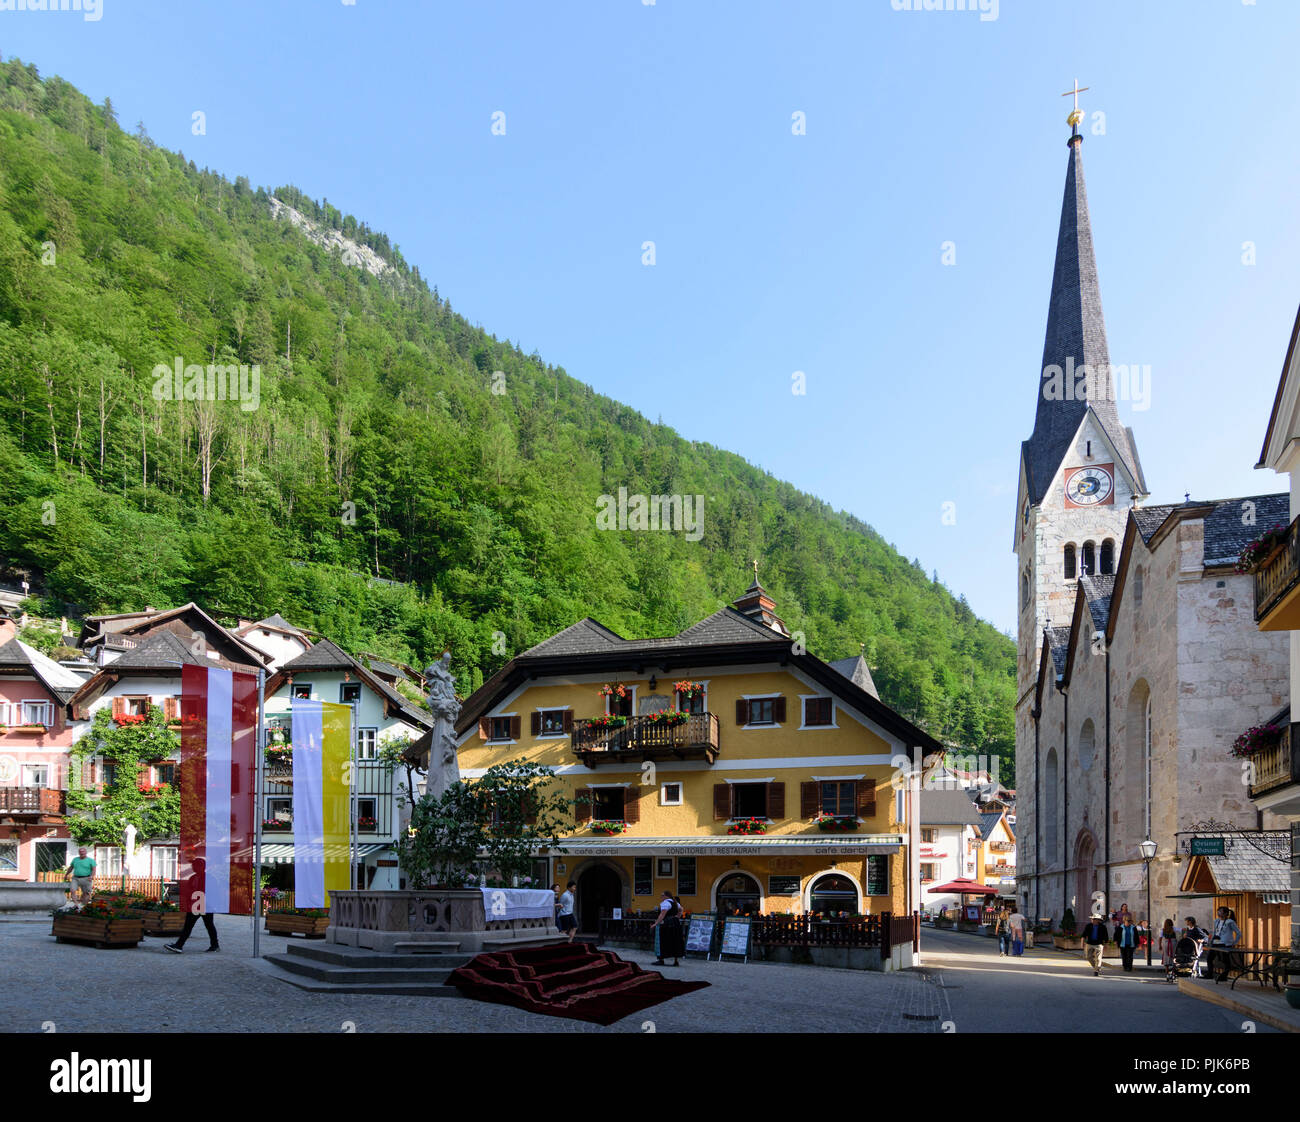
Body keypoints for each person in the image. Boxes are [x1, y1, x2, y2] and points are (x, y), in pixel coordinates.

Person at [165, 858, 219, 953]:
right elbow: (189, 891)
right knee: (190, 925)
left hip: (206, 905)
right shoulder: (193, 877)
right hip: (195, 905)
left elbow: (214, 892)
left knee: (208, 925)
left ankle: (214, 945)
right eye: (193, 866)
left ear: (202, 867)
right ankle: (179, 945)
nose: (193, 867)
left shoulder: (210, 878)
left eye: (196, 866)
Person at [1208, 905, 1242, 983]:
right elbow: (1214, 931)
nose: (1219, 913)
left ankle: (1224, 976)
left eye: (1220, 912)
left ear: (1226, 913)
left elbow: (1239, 933)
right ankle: (1210, 974)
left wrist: (1234, 942)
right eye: (1218, 912)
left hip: (1224, 944)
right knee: (1210, 958)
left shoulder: (1230, 922)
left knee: (1225, 960)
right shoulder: (1216, 921)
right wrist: (1211, 940)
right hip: (1215, 943)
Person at [651, 890, 683, 967]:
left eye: (662, 895)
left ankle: (661, 959)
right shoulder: (675, 902)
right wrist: (677, 917)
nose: (661, 897)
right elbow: (681, 909)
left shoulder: (665, 903)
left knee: (663, 940)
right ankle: (676, 961)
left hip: (666, 923)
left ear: (666, 896)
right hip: (675, 923)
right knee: (675, 940)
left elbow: (662, 915)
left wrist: (655, 924)